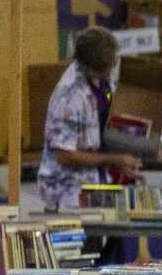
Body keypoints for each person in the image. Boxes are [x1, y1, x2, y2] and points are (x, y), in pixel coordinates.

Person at [34, 28, 140, 211]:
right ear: (91, 68)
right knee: (85, 237)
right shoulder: (69, 96)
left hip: (98, 184)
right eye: (108, 68)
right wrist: (114, 160)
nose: (112, 71)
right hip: (68, 193)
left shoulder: (106, 74)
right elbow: (64, 156)